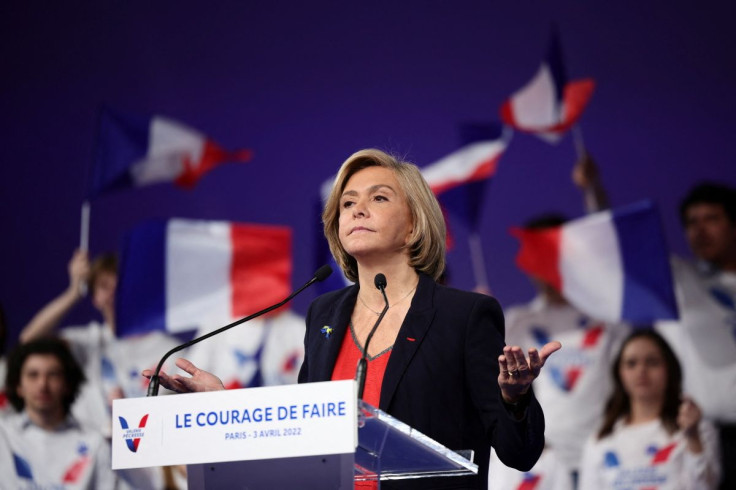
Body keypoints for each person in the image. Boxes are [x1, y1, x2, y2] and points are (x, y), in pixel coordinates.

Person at [148, 148, 562, 489]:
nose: (357, 209)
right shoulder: (323, 316)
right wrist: (226, 408)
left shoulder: (465, 316)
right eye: (348, 202)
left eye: (378, 198)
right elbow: (303, 436)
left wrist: (515, 398)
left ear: (414, 225)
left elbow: (519, 453)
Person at [20, 250, 180, 437]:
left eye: (120, 285)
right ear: (95, 298)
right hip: (92, 458)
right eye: (104, 286)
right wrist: (74, 293)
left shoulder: (170, 350)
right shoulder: (89, 342)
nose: (113, 292)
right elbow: (29, 341)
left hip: (147, 458)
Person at [653, 183, 736, 490]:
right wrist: (593, 190)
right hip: (708, 438)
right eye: (691, 222)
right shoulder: (679, 280)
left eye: (711, 219)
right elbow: (621, 246)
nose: (700, 231)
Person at [578, 329, 721, 489]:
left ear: (670, 369)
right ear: (620, 373)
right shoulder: (599, 440)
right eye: (631, 363)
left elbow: (705, 486)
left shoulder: (697, 429)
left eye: (652, 362)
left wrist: (693, 437)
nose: (641, 371)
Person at [0, 337, 117, 488]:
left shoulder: (95, 442)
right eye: (33, 375)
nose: (42, 384)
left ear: (67, 384)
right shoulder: (3, 435)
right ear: (18, 386)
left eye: (53, 374)